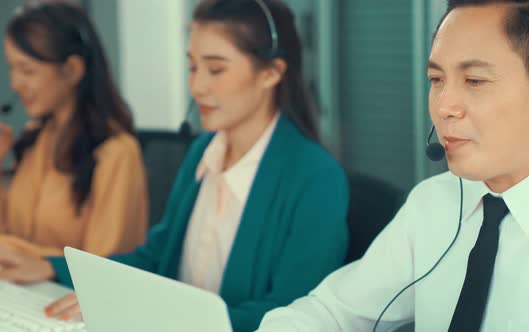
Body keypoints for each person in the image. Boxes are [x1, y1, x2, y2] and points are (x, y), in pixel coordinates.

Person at [0, 1, 350, 331]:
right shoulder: (202, 152)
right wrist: (52, 267)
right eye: (193, 66)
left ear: (271, 73)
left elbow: (294, 315)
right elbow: (156, 258)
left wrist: (156, 313)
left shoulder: (316, 178)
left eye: (215, 69)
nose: (196, 86)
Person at [257, 0, 529, 331]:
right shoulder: (432, 203)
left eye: (474, 80)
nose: (444, 107)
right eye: (436, 78)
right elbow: (330, 312)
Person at [0, 0, 147, 269]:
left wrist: (23, 255)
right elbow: (6, 236)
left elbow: (104, 267)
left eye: (28, 70)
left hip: (74, 304)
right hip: (20, 291)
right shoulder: (34, 139)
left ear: (72, 70)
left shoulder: (117, 153)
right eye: (13, 68)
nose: (16, 84)